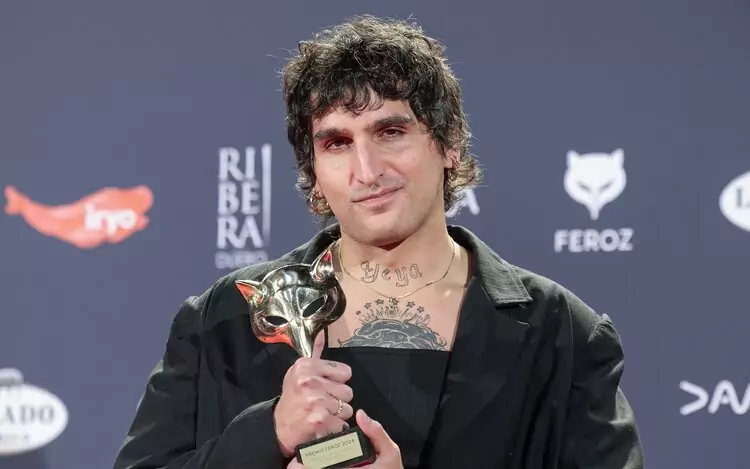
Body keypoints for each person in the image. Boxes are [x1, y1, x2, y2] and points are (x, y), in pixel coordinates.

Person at [113, 15, 645, 469]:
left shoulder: (563, 335)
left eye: (390, 132)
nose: (367, 171)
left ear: (449, 144)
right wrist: (268, 434)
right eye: (337, 143)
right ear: (314, 171)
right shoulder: (224, 319)